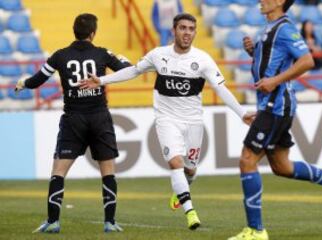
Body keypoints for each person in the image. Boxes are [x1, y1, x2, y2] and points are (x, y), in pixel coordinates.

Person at [79, 13, 255, 230]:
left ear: (195, 32)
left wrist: (241, 112)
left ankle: (182, 189)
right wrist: (102, 80)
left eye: (191, 29)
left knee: (190, 169)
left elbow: (221, 88)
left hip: (193, 122)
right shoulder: (158, 55)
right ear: (173, 31)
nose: (187, 33)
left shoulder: (203, 60)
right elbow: (134, 70)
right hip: (166, 119)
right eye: (183, 28)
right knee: (175, 163)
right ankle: (190, 212)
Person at [228, 1, 322, 240]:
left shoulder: (285, 28)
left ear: (279, 2)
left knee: (247, 160)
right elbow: (270, 64)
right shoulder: (270, 27)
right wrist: (253, 52)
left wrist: (275, 81)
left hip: (275, 105)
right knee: (282, 167)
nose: (261, 0)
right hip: (271, 104)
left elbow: (307, 61)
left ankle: (256, 231)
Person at [15, 13, 131, 233]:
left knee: (58, 171)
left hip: (73, 119)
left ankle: (53, 221)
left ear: (74, 31)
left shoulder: (60, 55)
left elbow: (38, 79)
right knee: (107, 171)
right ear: (93, 33)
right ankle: (110, 222)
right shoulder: (102, 53)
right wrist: (124, 59)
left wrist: (24, 83)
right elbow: (127, 71)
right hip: (99, 117)